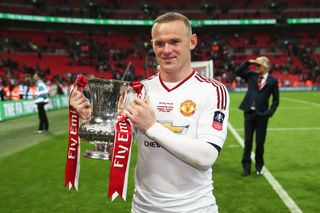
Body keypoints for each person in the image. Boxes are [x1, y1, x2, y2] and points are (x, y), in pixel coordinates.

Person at [70, 12, 229, 213]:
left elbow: (206, 158)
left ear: (192, 41)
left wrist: (152, 127)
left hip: (194, 208)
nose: (167, 50)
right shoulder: (137, 90)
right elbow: (120, 149)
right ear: (152, 45)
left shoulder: (213, 91)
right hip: (143, 208)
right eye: (159, 43)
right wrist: (93, 120)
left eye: (175, 42)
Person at [236, 56, 279, 176]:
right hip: (249, 113)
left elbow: (276, 100)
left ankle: (259, 167)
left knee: (260, 143)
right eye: (256, 65)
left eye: (258, 65)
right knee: (248, 142)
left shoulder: (272, 81)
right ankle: (246, 167)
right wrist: (249, 62)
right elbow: (238, 72)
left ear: (265, 66)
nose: (256, 67)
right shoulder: (251, 75)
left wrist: (269, 113)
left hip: (262, 116)